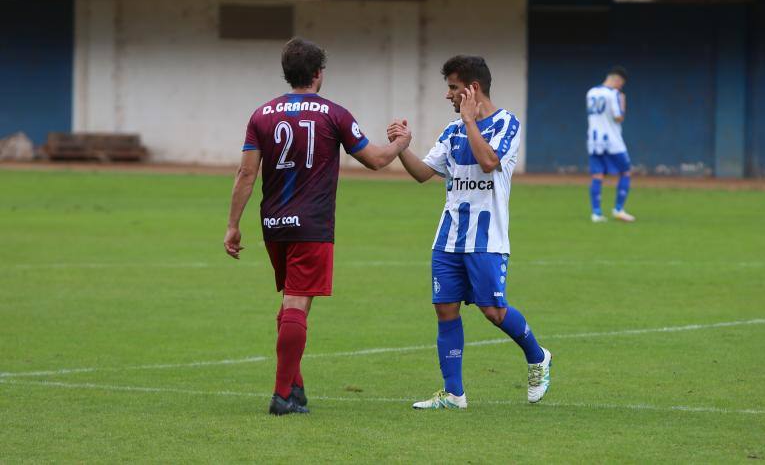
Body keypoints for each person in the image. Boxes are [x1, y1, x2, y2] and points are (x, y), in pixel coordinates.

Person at [224, 37, 410, 416]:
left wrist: (233, 225)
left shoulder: (261, 115)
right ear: (318, 74)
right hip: (312, 225)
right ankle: (281, 396)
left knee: (291, 304)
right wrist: (401, 144)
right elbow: (375, 160)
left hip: (274, 224)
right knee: (297, 303)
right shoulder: (333, 114)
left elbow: (246, 173)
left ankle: (296, 388)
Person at [387, 55, 551, 410]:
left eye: (453, 88)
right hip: (448, 238)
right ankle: (453, 393)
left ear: (472, 89)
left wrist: (470, 121)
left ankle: (538, 357)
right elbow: (422, 173)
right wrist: (402, 147)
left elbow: (489, 162)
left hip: (487, 239)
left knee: (493, 311)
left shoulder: (507, 123)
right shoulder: (451, 132)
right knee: (445, 309)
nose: (447, 95)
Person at [586, 66, 635, 222]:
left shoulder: (591, 92)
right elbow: (618, 117)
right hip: (612, 141)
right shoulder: (613, 94)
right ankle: (618, 209)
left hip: (594, 140)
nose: (620, 87)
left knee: (597, 175)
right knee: (626, 171)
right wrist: (623, 102)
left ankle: (596, 213)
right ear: (617, 80)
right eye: (621, 84)